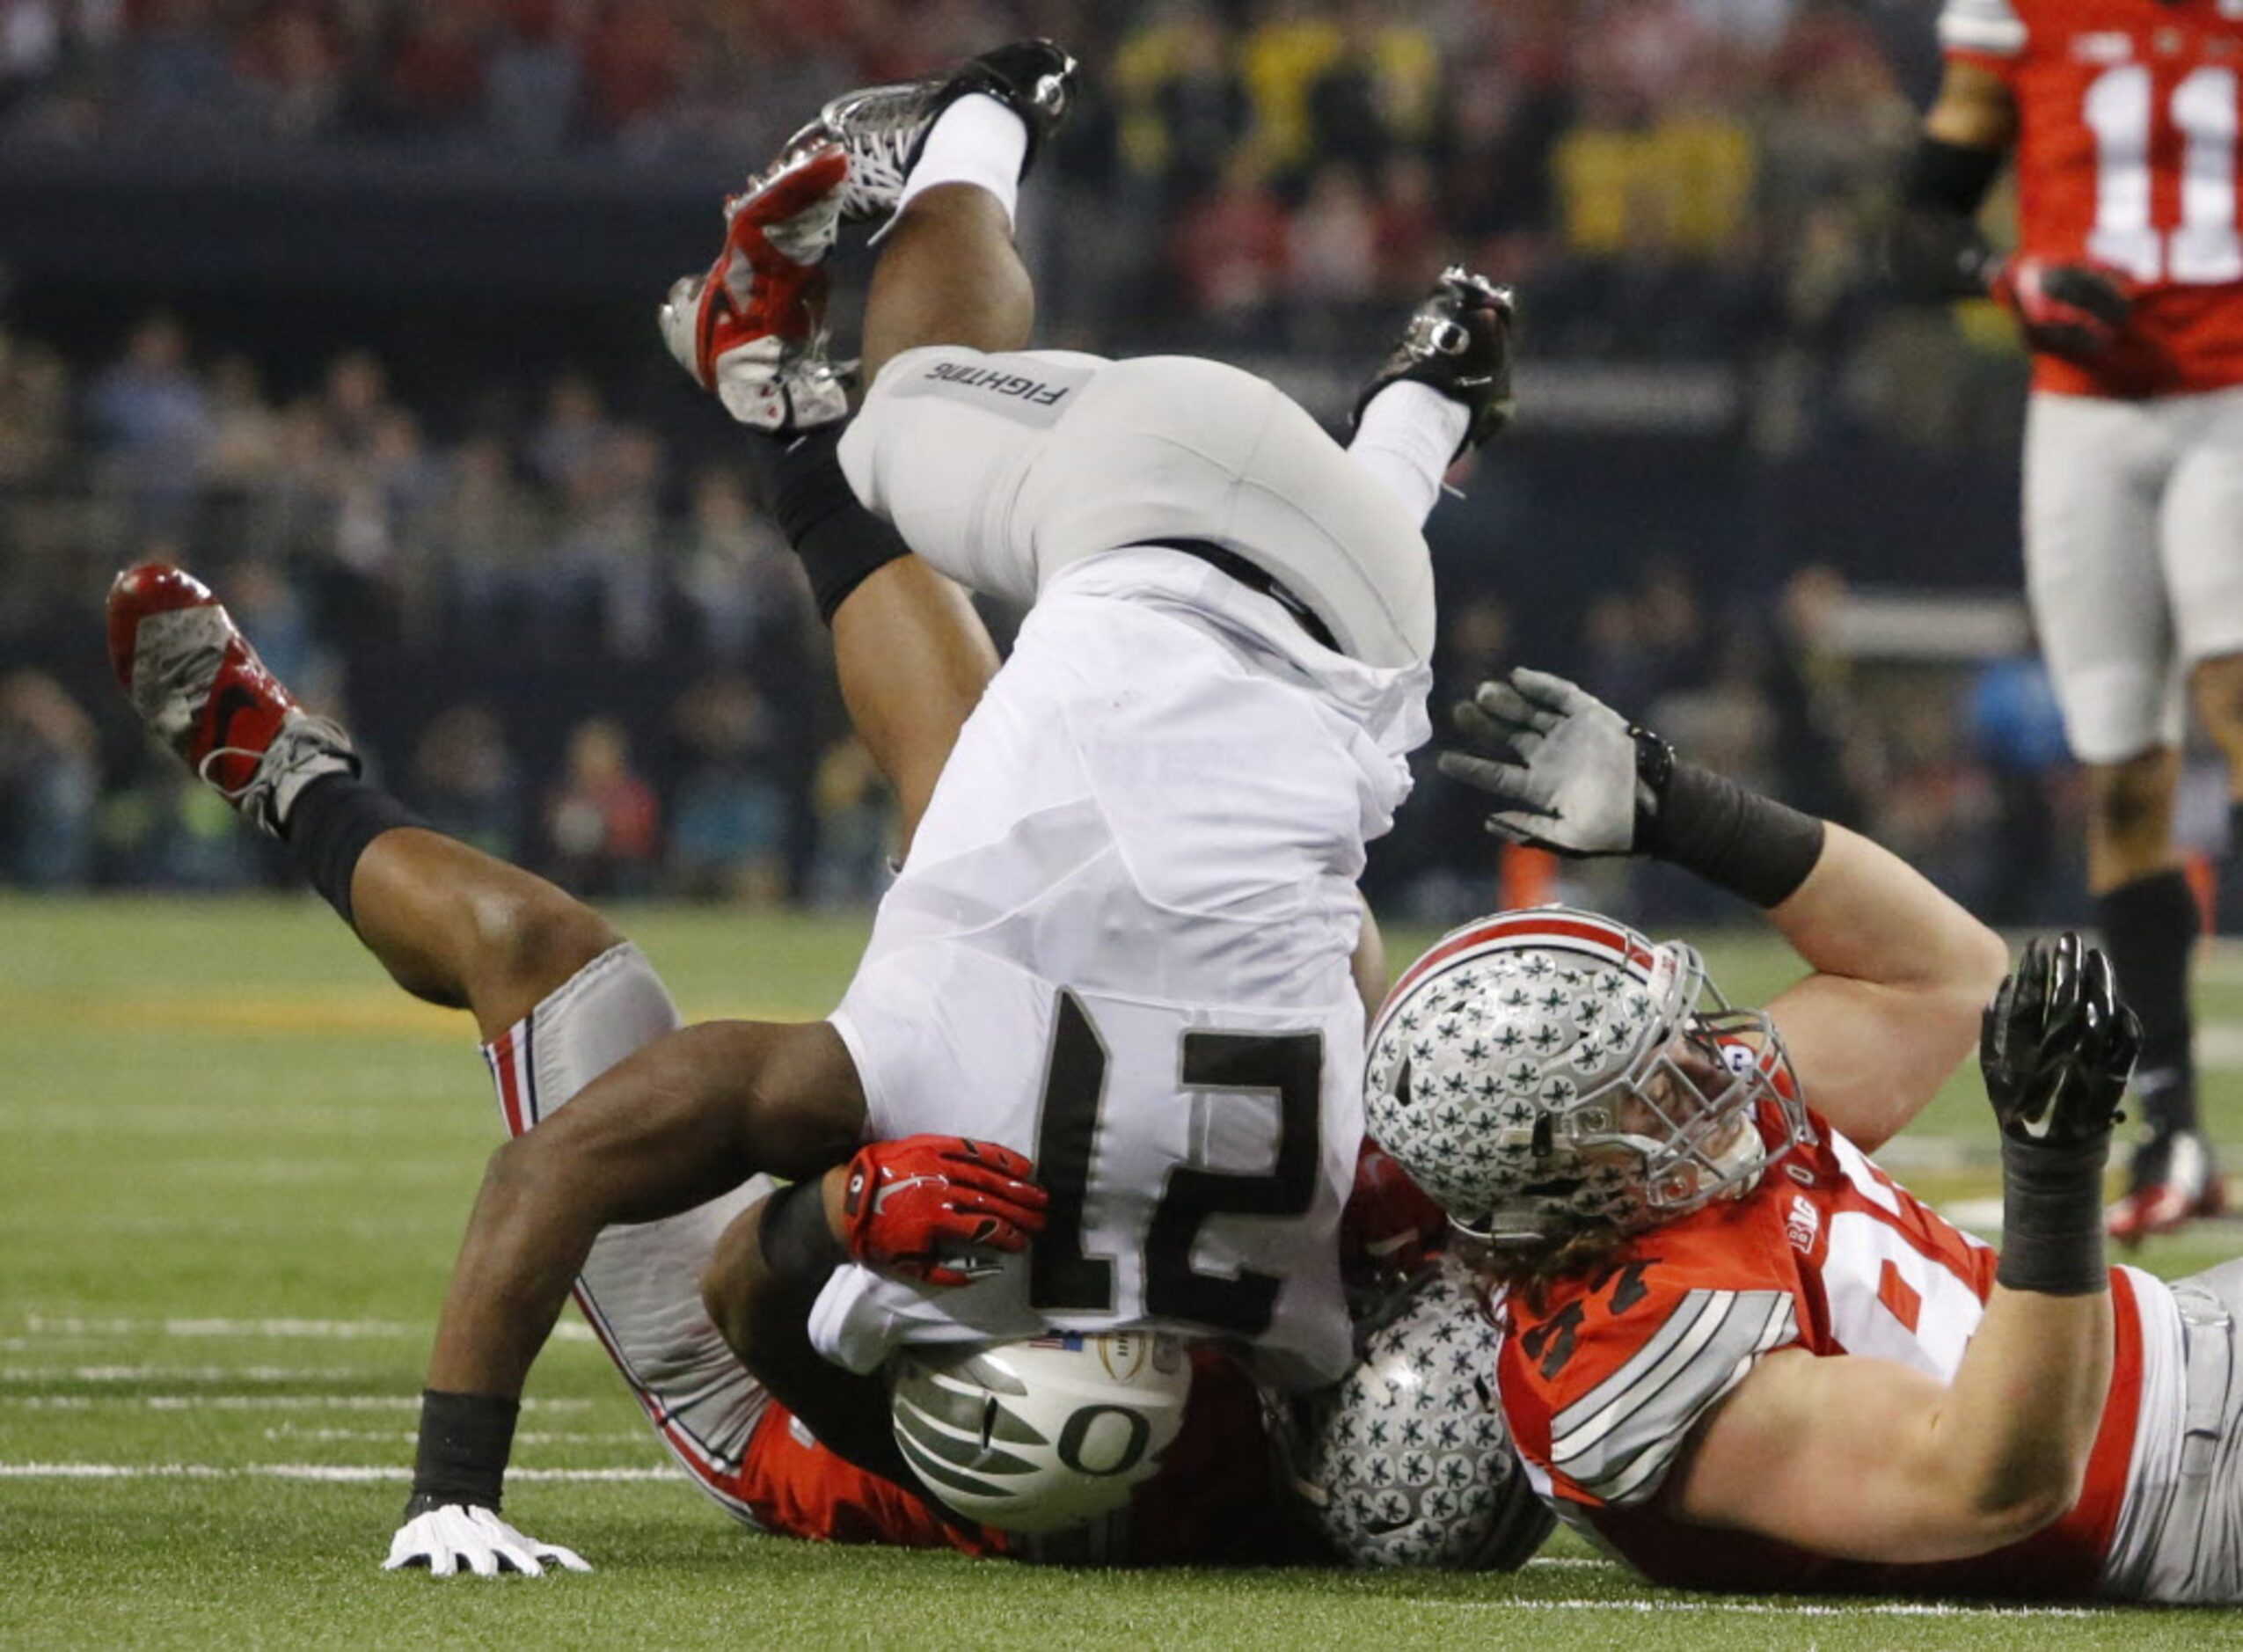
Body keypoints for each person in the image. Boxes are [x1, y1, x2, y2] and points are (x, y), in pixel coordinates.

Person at [108, 39, 1517, 1573]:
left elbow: (698, 1273)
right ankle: (783, 399)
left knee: (547, 949)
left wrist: (810, 1233)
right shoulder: (1329, 1221)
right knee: (993, 769)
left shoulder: (950, 1096)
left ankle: (289, 778)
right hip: (1060, 1129)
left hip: (777, 1397)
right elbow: (1339, 925)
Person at [1369, 665, 2243, 1603]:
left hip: (2185, 1337)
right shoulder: (1620, 1353)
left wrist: (1681, 810)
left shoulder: (1672, 1154)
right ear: (1553, 1173)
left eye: (1666, 1035)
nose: (1704, 1065)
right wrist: (2055, 1166)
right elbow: (1992, 1484)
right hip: (2181, 1484)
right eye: (1647, 1078)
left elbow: (1944, 975)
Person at [1883, 0, 2243, 1237]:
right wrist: (2003, 276)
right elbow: (1917, 228)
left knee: (2235, 698)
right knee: (2124, 780)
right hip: (2084, 413)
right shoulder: (2017, 14)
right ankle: (2175, 1134)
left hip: (2231, 391)